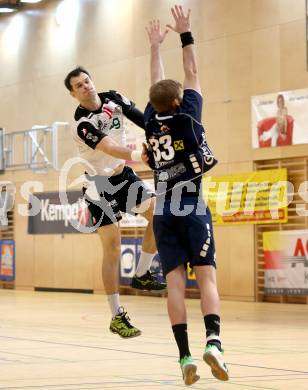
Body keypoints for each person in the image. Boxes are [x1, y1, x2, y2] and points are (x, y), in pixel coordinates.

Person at [143, 6, 229, 384]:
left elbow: (157, 84)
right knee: (207, 277)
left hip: (163, 208)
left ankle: (184, 357)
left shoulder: (151, 117)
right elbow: (191, 72)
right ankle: (214, 342)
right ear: (179, 101)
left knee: (174, 284)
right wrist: (185, 33)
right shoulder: (188, 113)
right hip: (191, 204)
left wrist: (154, 48)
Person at [64, 66, 166, 339]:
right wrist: (138, 153)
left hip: (124, 177)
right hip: (98, 186)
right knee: (112, 248)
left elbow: (144, 119)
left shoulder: (115, 98)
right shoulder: (81, 124)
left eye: (87, 80)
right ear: (73, 94)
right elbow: (108, 146)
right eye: (79, 86)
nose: (86, 86)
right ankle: (116, 315)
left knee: (160, 215)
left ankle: (143, 273)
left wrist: (163, 130)